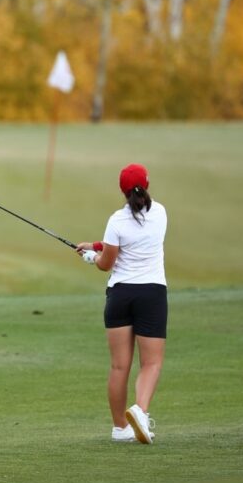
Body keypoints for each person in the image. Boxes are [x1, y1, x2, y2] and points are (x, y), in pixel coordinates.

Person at [75, 163, 168, 445]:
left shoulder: (116, 220)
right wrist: (96, 245)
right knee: (151, 362)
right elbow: (129, 243)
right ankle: (139, 410)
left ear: (122, 190)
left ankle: (120, 429)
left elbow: (107, 264)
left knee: (119, 367)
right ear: (147, 185)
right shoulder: (161, 212)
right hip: (151, 293)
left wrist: (91, 256)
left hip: (120, 296)